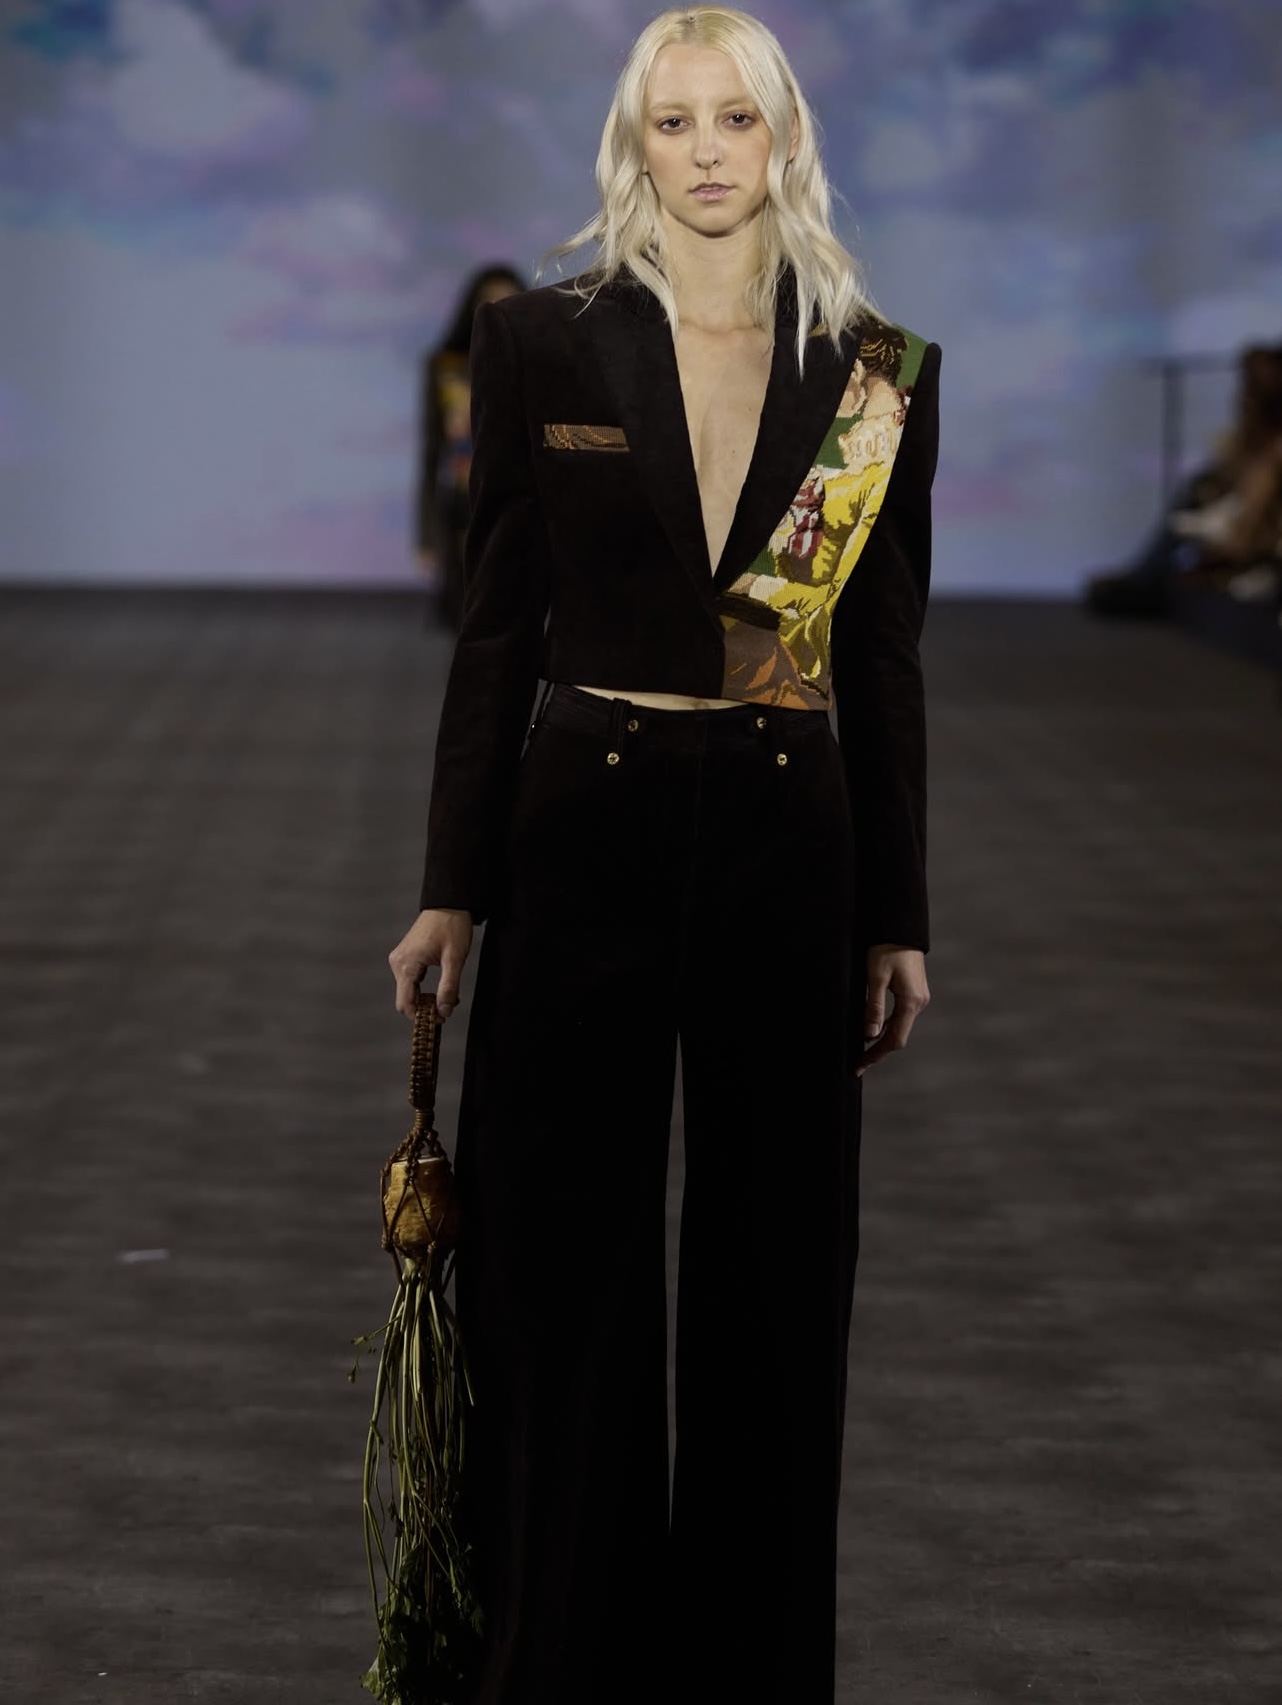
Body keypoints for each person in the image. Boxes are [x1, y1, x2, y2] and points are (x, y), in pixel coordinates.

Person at [388, 8, 941, 1701]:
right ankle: (555, 1663)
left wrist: (896, 914)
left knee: (780, 1272)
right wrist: (452, 886)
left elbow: (880, 657)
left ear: (785, 137)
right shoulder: (539, 342)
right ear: (636, 141)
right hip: (584, 823)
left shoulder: (875, 373)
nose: (706, 152)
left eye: (736, 119)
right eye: (675, 120)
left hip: (786, 830)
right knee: (556, 1264)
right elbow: (496, 630)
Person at [417, 264, 526, 627]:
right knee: (465, 614)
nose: (499, 311)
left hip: (523, 504)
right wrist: (426, 534)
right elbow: (432, 452)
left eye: (509, 301)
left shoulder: (537, 361)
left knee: (515, 615)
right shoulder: (446, 369)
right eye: (489, 302)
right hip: (463, 507)